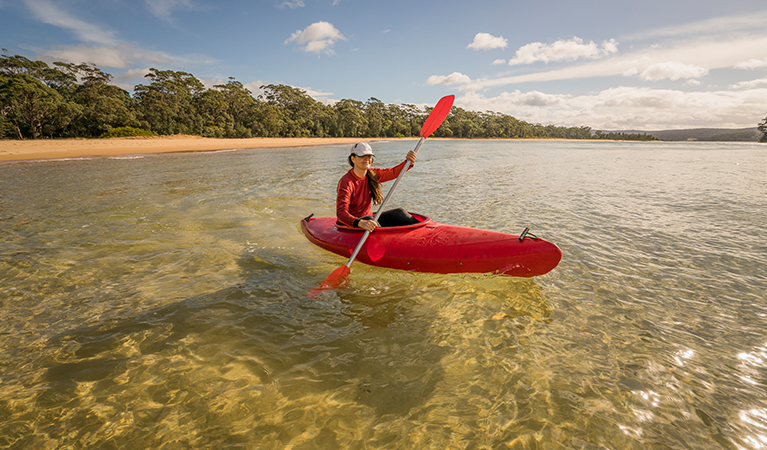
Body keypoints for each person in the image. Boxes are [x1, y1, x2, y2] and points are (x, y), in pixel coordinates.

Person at [336, 142, 420, 232]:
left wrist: (408, 162)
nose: (367, 159)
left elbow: (393, 172)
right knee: (373, 223)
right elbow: (341, 213)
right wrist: (360, 223)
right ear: (353, 159)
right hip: (353, 224)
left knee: (400, 213)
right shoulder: (346, 182)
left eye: (369, 156)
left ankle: (420, 234)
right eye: (362, 156)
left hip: (369, 219)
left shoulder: (372, 174)